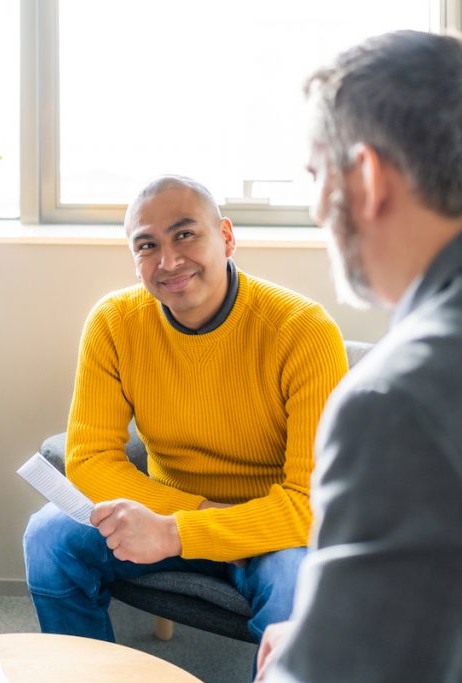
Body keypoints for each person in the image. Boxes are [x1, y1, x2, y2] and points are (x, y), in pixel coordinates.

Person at [256, 31, 462, 682]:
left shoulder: (396, 404)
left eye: (314, 173)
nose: (313, 206)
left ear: (369, 177)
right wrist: (332, 617)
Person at [23, 175, 348, 653]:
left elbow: (311, 506)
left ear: (228, 237)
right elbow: (89, 460)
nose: (169, 260)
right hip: (163, 515)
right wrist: (190, 521)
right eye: (147, 245)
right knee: (48, 537)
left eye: (185, 234)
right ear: (135, 263)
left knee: (297, 584)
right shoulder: (114, 323)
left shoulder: (303, 331)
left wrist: (181, 533)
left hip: (271, 534)